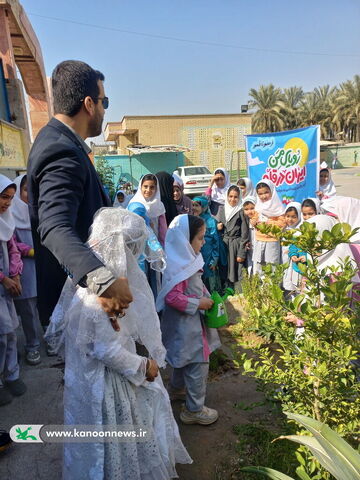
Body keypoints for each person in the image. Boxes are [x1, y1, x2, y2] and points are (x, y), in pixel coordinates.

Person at [45, 208, 192, 479]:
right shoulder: (96, 296)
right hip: (105, 384)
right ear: (121, 249)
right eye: (133, 250)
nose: (135, 258)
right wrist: (144, 365)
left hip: (94, 379)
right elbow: (104, 348)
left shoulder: (96, 283)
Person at [27, 61, 132, 341]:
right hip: (78, 303)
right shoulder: (61, 151)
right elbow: (54, 227)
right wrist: (103, 282)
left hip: (87, 302)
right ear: (88, 104)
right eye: (103, 101)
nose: (104, 108)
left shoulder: (60, 142)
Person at [156, 214, 221, 425]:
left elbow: (193, 285)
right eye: (200, 238)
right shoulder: (179, 267)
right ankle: (194, 410)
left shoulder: (184, 259)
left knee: (181, 358)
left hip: (185, 328)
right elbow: (172, 297)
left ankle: (176, 390)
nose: (203, 243)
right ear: (185, 240)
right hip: (188, 327)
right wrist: (198, 303)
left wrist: (205, 295)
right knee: (198, 365)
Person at [0, 175, 27, 406]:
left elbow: (13, 249)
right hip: (2, 286)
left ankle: (12, 374)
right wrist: (3, 279)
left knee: (10, 333)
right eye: (3, 197)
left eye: (10, 198)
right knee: (2, 335)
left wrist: (15, 273)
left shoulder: (6, 221)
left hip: (6, 290)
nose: (7, 203)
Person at [11, 174, 42, 365]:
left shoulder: (38, 213)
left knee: (47, 306)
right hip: (24, 269)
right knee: (28, 310)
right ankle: (32, 346)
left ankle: (51, 338)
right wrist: (30, 251)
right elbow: (11, 243)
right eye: (25, 190)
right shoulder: (10, 215)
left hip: (42, 267)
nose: (29, 195)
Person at [251, 179, 285, 274]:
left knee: (272, 265)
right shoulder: (258, 207)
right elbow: (254, 219)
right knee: (258, 265)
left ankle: (272, 288)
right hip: (259, 240)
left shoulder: (278, 207)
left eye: (266, 192)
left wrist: (267, 224)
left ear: (272, 191)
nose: (264, 196)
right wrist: (253, 222)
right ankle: (259, 288)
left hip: (272, 241)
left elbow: (282, 224)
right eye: (260, 194)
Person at [219, 186, 249, 290]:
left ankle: (239, 295)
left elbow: (245, 234)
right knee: (225, 269)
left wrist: (242, 253)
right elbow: (218, 226)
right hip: (224, 245)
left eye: (236, 197)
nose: (232, 199)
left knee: (237, 271)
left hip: (236, 245)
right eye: (230, 196)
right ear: (227, 196)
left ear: (239, 197)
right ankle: (227, 294)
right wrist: (218, 226)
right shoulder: (222, 209)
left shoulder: (241, 212)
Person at [128, 174, 167, 246]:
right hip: (138, 244)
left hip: (155, 244)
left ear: (156, 189)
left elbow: (163, 229)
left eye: (152, 187)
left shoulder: (159, 205)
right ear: (140, 187)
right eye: (145, 186)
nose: (148, 190)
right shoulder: (134, 204)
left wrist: (162, 246)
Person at [192, 196, 220, 293]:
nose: (194, 208)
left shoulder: (210, 221)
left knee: (209, 283)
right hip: (196, 255)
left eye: (196, 205)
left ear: (203, 207)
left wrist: (214, 259)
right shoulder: (192, 220)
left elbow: (216, 241)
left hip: (208, 257)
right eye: (192, 205)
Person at [282, 202, 303, 294]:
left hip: (294, 261)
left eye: (294, 217)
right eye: (288, 216)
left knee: (293, 282)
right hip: (284, 260)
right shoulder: (284, 229)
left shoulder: (300, 230)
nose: (290, 219)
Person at [242, 195, 257, 275]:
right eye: (246, 209)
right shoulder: (245, 221)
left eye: (252, 208)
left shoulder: (260, 219)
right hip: (250, 249)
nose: (249, 211)